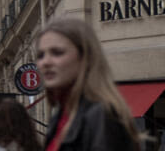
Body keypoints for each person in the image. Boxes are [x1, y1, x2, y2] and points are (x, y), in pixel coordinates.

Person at [36, 18, 139, 151]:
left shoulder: (102, 115)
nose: (45, 62)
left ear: (85, 57)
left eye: (57, 53)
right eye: (40, 55)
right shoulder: (60, 117)